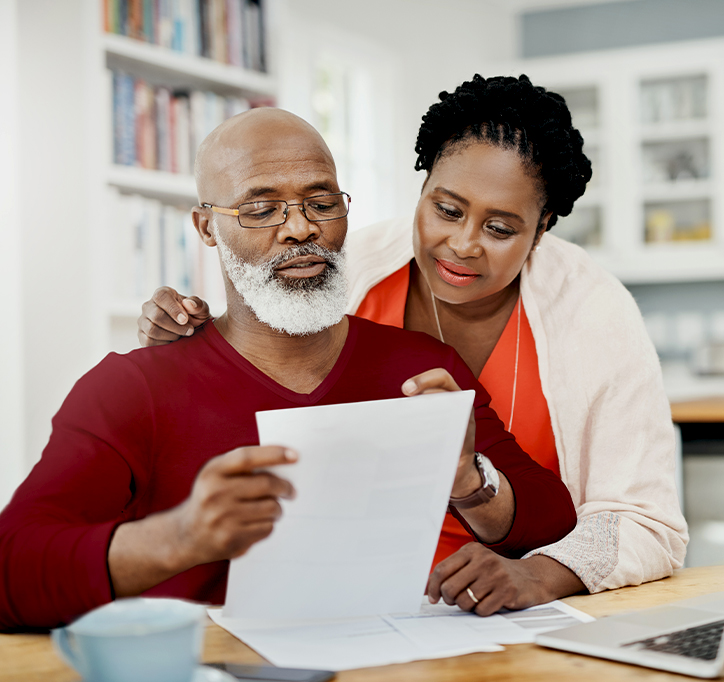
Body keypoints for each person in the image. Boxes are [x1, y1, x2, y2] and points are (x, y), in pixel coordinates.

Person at [0, 108, 575, 631]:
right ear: (207, 228)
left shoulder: (424, 368)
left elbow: (551, 517)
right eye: (261, 208)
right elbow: (12, 569)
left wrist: (468, 481)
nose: (300, 228)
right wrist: (181, 537)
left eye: (321, 203)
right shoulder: (130, 388)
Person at [139, 75, 688, 613]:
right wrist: (183, 340)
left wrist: (538, 576)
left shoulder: (594, 313)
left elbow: (647, 522)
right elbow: (255, 382)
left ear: (541, 230)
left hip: (506, 608)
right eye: (446, 210)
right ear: (422, 188)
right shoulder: (347, 271)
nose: (463, 244)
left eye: (500, 229)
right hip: (346, 594)